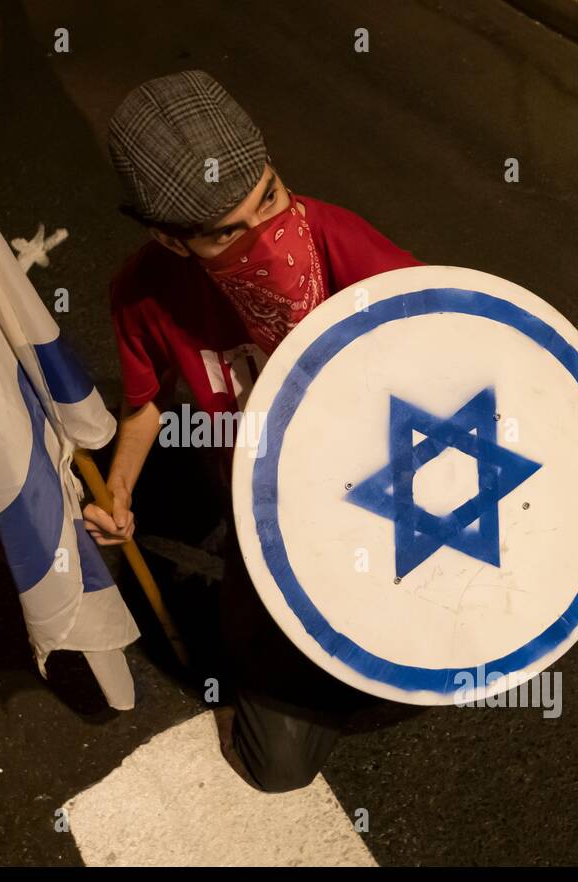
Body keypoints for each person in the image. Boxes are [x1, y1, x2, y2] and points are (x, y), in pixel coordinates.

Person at [84, 69, 421, 792]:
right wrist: (117, 489)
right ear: (170, 241)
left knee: (429, 654)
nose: (265, 236)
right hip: (262, 509)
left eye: (268, 197)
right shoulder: (143, 293)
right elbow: (144, 405)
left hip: (377, 482)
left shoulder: (337, 238)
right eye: (224, 234)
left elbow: (443, 331)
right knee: (280, 768)